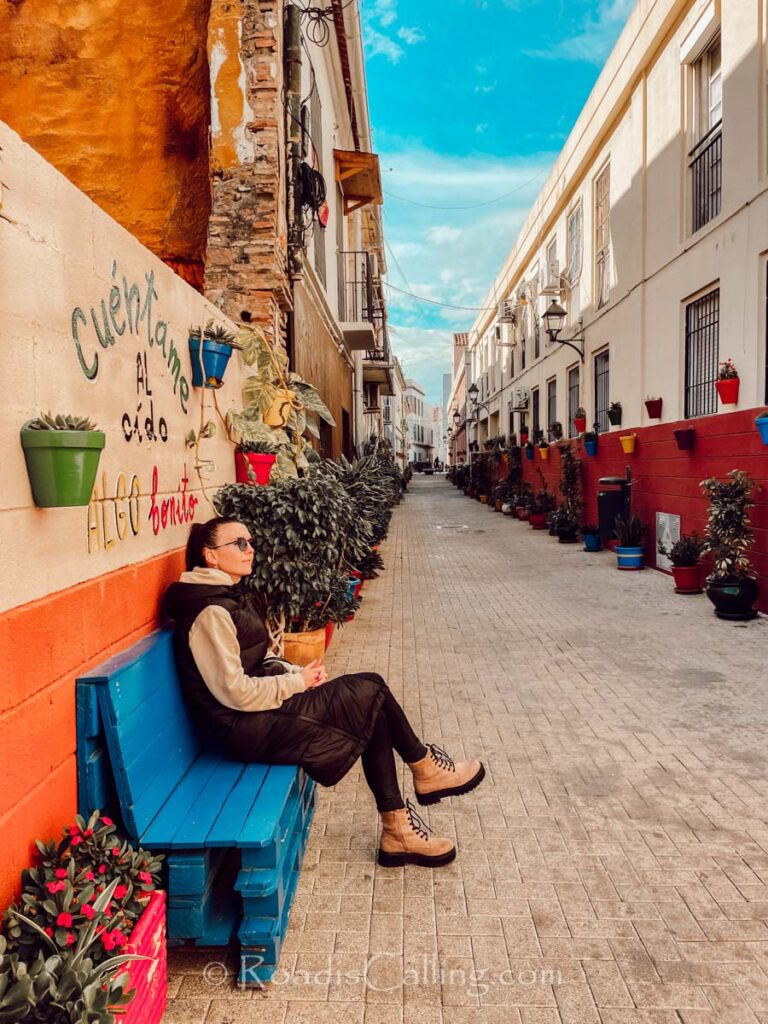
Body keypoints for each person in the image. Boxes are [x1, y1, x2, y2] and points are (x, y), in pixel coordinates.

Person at [164, 517, 485, 868]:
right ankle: (421, 771)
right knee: (371, 687)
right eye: (239, 543)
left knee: (369, 704)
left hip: (257, 715)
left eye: (250, 541)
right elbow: (234, 692)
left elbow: (253, 662)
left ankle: (398, 827)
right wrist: (296, 683)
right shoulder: (210, 611)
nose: (250, 548)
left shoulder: (223, 597)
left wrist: (293, 671)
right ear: (210, 556)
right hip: (242, 728)